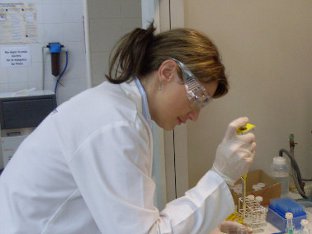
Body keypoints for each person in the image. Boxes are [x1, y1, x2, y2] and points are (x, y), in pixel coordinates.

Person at [0, 23, 256, 234]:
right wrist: (220, 176)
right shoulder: (115, 125)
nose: (195, 115)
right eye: (197, 97)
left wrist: (208, 228)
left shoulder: (122, 110)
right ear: (167, 72)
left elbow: (131, 216)